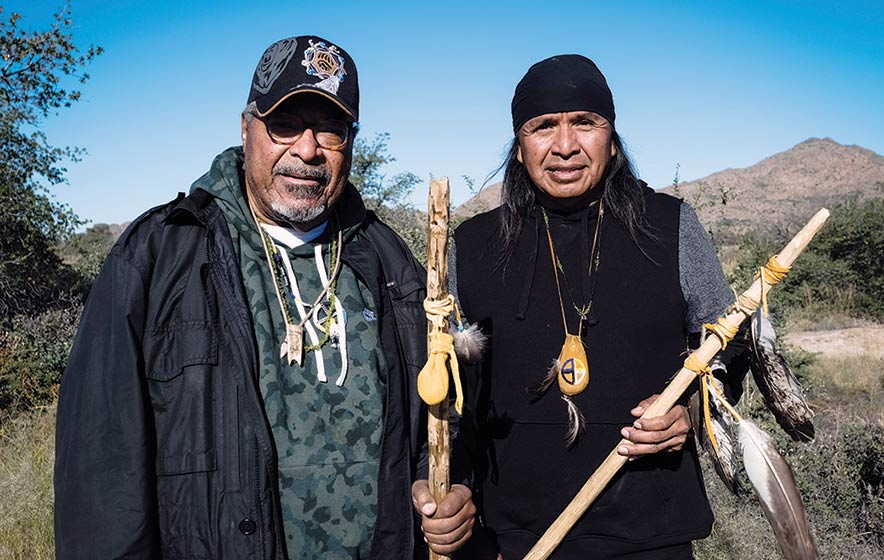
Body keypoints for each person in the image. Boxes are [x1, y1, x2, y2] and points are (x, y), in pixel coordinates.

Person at [54, 35, 473, 559]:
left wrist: (441, 493)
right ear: (246, 128)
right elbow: (101, 476)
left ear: (351, 142)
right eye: (285, 123)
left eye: (331, 129)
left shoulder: (390, 263)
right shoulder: (159, 259)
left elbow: (432, 424)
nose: (307, 148)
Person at [449, 55, 738, 559]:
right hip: (516, 539)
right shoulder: (473, 247)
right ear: (519, 147)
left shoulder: (671, 228)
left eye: (585, 122)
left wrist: (690, 414)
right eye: (543, 127)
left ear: (611, 135)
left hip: (653, 532)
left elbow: (728, 349)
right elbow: (456, 401)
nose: (564, 146)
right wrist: (457, 493)